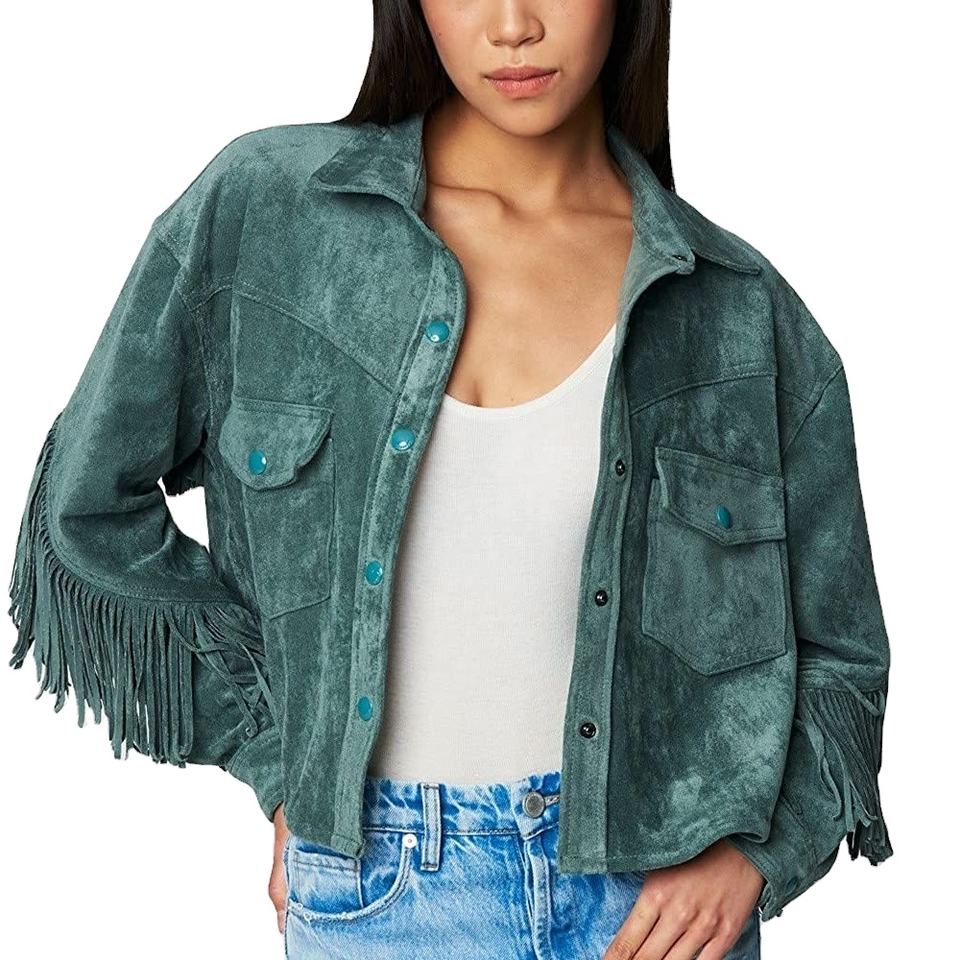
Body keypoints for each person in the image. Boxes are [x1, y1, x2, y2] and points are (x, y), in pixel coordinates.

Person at [6, 2, 893, 959]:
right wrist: (289, 755)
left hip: (650, 911)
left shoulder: (736, 309)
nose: (512, 25)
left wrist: (755, 854)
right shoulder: (269, 213)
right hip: (381, 898)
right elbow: (85, 511)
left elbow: (841, 657)